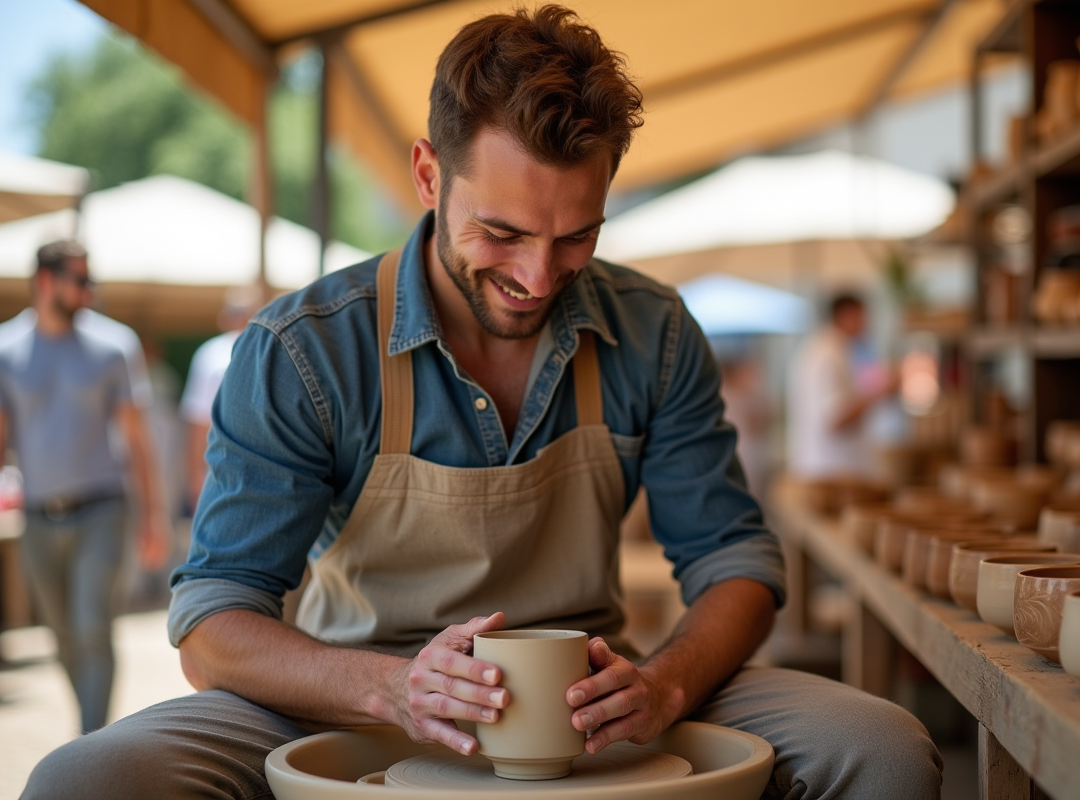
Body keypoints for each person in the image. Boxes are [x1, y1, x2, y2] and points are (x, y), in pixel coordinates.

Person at [22, 8, 940, 798]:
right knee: (84, 780)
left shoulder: (652, 331)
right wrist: (391, 689)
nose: (539, 277)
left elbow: (736, 560)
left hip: (586, 704)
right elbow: (215, 621)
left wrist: (662, 687)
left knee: (884, 750)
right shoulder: (304, 349)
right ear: (428, 176)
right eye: (501, 232)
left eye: (576, 235)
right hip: (356, 692)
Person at [0, 240, 170, 734]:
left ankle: (89, 743)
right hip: (35, 514)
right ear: (46, 282)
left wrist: (154, 516)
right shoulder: (7, 349)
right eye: (80, 280)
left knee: (92, 627)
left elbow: (138, 441)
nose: (89, 292)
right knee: (60, 635)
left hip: (103, 509)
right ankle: (91, 735)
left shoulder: (115, 345)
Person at [787, 293, 898, 479]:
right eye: (863, 317)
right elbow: (836, 419)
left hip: (827, 471)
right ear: (846, 315)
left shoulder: (826, 349)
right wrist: (881, 391)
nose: (867, 325)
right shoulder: (828, 354)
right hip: (830, 475)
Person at [179, 286, 263, 512]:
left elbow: (197, 423)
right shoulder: (211, 354)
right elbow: (198, 422)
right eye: (237, 313)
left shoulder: (266, 350)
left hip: (250, 467)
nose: (241, 319)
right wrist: (195, 478)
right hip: (227, 469)